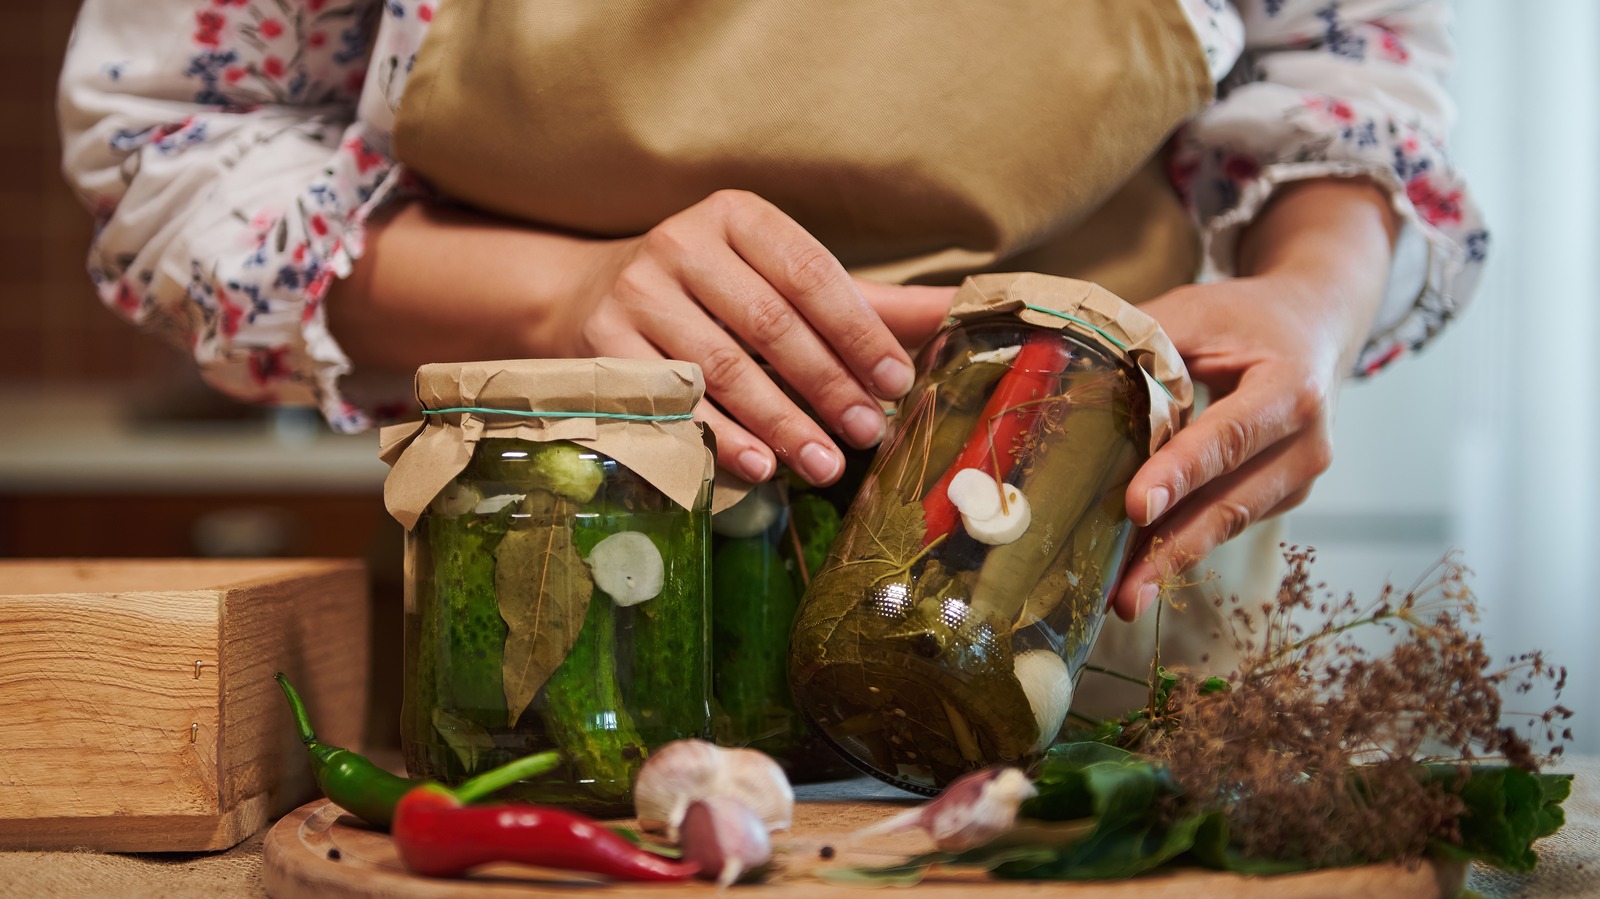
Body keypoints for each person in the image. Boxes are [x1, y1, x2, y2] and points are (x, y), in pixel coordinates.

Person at [57, 0, 1484, 629]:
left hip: (1087, 596)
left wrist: (1306, 298)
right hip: (543, 637)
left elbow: (1347, 76)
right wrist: (562, 294)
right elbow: (176, 148)